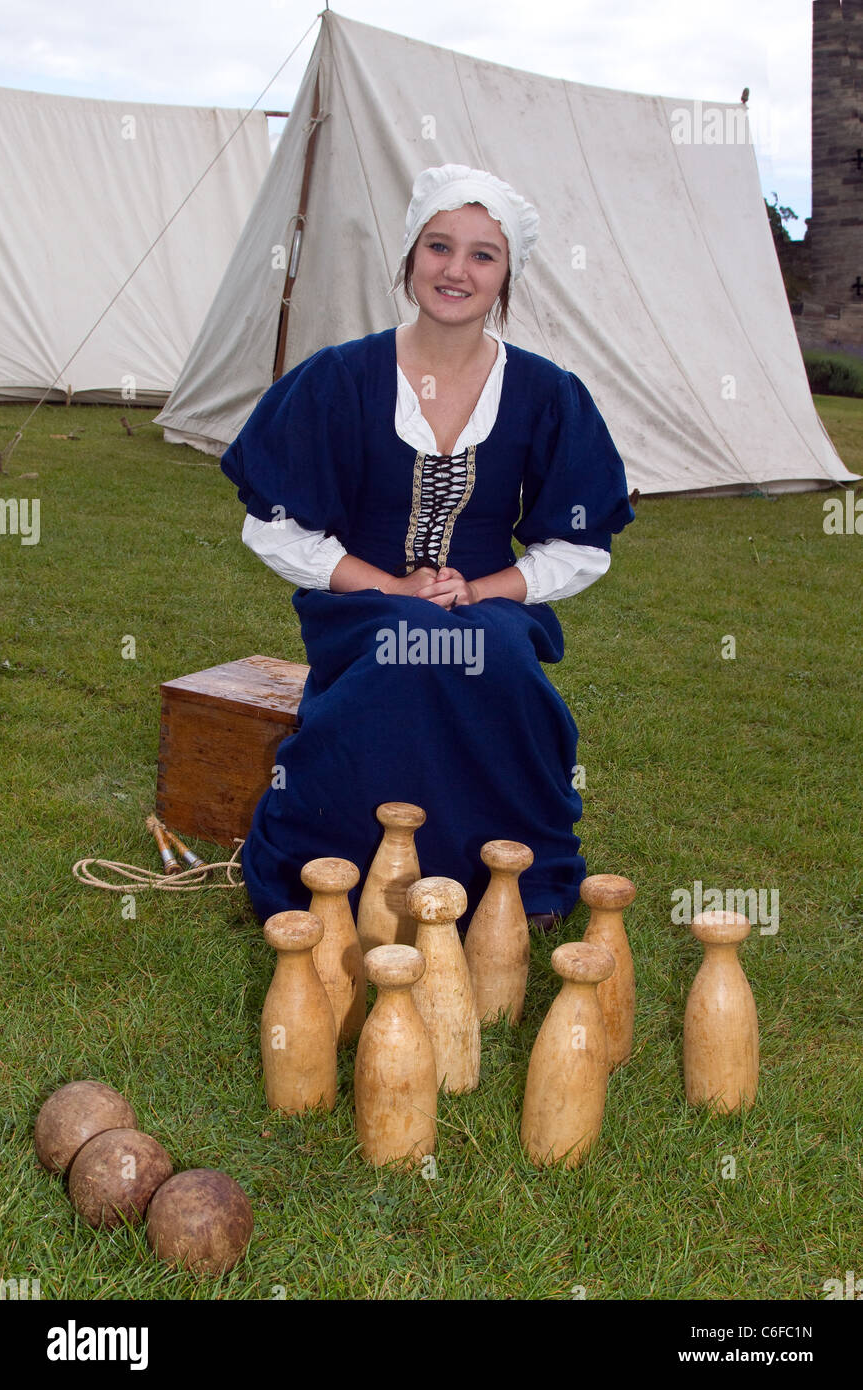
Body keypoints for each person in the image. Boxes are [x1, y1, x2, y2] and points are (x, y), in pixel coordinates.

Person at [221, 164, 635, 928]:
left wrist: (483, 591)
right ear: (411, 257)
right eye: (439, 246)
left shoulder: (546, 391)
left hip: (488, 604)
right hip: (363, 602)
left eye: (483, 254)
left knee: (500, 661)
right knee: (399, 656)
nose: (457, 269)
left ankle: (511, 878)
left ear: (508, 275)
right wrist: (387, 585)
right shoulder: (340, 378)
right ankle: (327, 870)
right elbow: (275, 523)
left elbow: (578, 540)